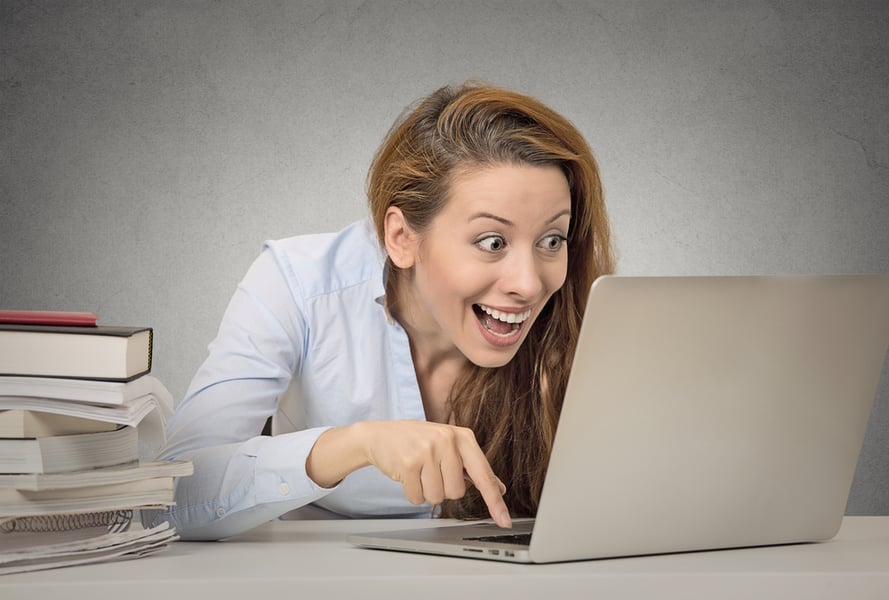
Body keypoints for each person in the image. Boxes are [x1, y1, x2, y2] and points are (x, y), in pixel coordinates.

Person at [154, 82, 615, 541]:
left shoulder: (579, 314)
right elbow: (170, 498)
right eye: (492, 242)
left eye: (551, 241)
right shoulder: (298, 284)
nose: (529, 284)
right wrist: (355, 444)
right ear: (402, 238)